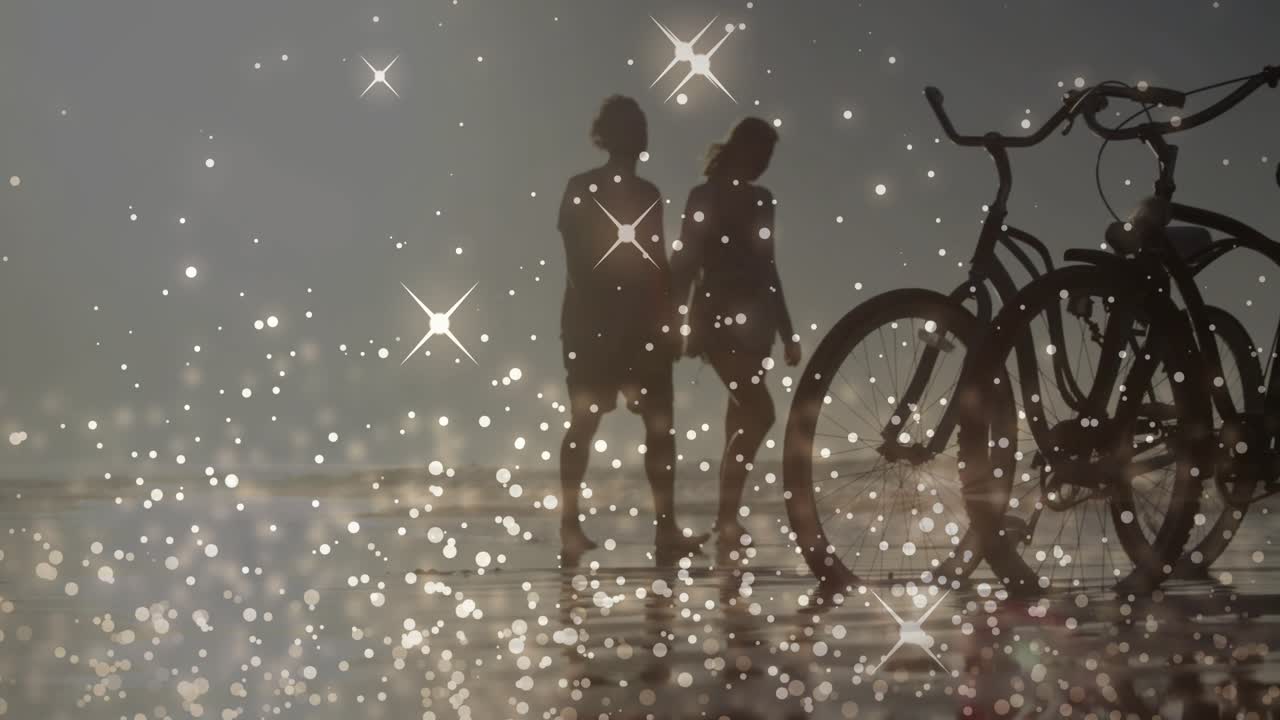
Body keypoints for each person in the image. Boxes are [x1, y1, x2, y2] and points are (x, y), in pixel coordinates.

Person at [556, 95, 707, 556]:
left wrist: (673, 321)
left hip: (642, 327)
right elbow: (578, 262)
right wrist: (606, 322)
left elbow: (657, 263)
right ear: (607, 134)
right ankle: (570, 527)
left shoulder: (649, 195)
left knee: (660, 427)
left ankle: (666, 529)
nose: (638, 135)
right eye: (628, 127)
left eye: (640, 126)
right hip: (594, 327)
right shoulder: (580, 187)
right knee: (585, 422)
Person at [671, 117, 801, 547]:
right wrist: (677, 322)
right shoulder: (703, 196)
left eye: (770, 158)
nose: (765, 164)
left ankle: (726, 522)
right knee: (760, 412)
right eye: (761, 154)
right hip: (716, 319)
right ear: (742, 148)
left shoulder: (764, 200)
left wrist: (786, 330)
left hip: (757, 322)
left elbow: (769, 265)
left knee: (738, 417)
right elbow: (686, 263)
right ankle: (726, 518)